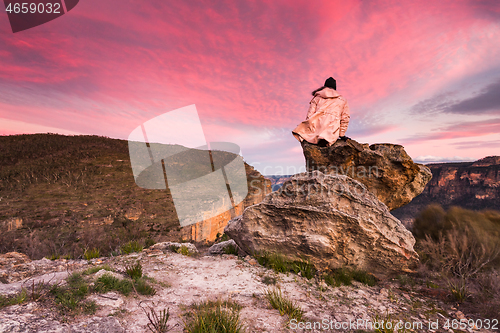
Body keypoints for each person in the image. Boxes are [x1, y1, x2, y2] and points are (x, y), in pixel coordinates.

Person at [292, 77, 350, 147]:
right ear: (335, 88)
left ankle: (316, 137)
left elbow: (309, 116)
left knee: (305, 132)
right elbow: (345, 118)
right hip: (331, 130)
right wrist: (342, 135)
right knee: (330, 132)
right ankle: (324, 137)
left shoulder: (317, 98)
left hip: (316, 129)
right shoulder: (342, 100)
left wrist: (307, 128)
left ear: (324, 86)